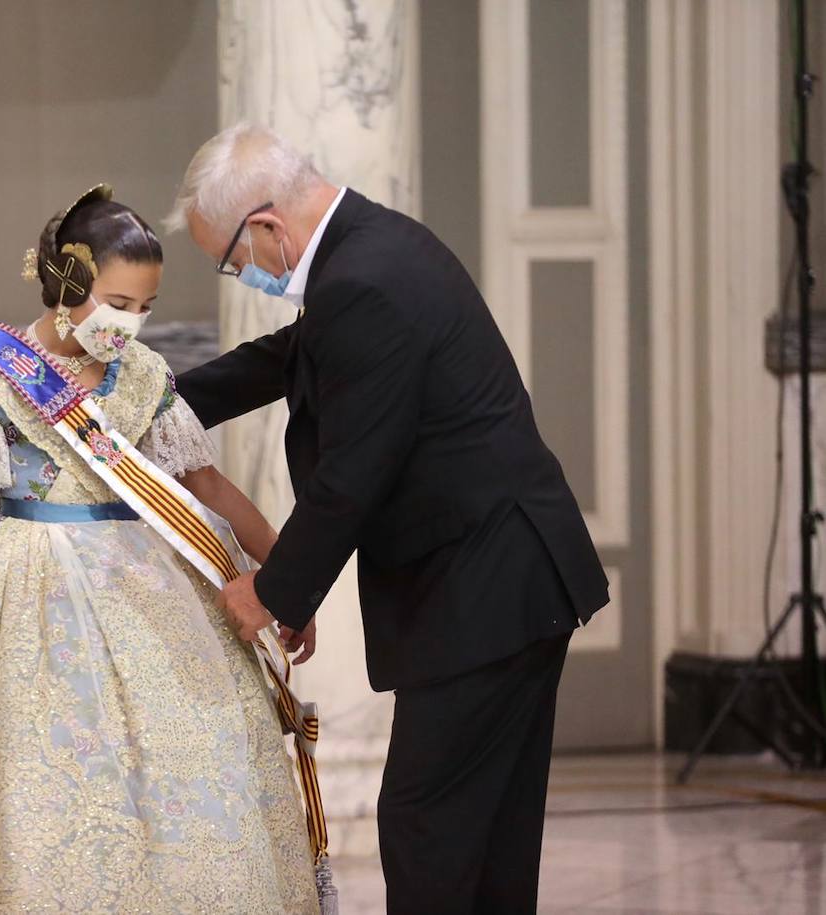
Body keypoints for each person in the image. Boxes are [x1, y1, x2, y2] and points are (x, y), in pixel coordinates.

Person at [0, 186, 318, 915]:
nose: (130, 322)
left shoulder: (144, 377)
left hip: (148, 589)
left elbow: (208, 486)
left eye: (145, 305)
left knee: (182, 764)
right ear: (69, 282)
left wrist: (287, 572)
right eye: (118, 300)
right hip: (25, 589)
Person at [166, 124, 611, 915]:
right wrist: (161, 397)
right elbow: (293, 356)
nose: (242, 274)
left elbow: (353, 474)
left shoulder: (364, 277)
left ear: (266, 225)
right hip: (508, 578)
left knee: (429, 825)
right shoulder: (369, 249)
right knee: (487, 834)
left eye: (232, 260)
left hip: (485, 586)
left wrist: (273, 591)